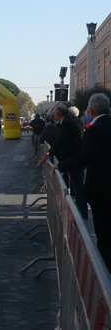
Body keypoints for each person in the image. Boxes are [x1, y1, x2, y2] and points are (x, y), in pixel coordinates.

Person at [56, 93, 111, 270]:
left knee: (103, 232)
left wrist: (61, 165)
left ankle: (103, 273)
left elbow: (85, 155)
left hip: (101, 187)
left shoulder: (95, 129)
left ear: (91, 109)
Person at [42, 104, 87, 218]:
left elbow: (59, 142)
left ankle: (81, 213)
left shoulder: (67, 124)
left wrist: (48, 154)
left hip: (74, 159)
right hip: (72, 158)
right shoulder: (66, 123)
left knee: (78, 185)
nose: (54, 115)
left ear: (58, 114)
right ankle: (80, 210)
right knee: (77, 184)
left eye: (55, 113)